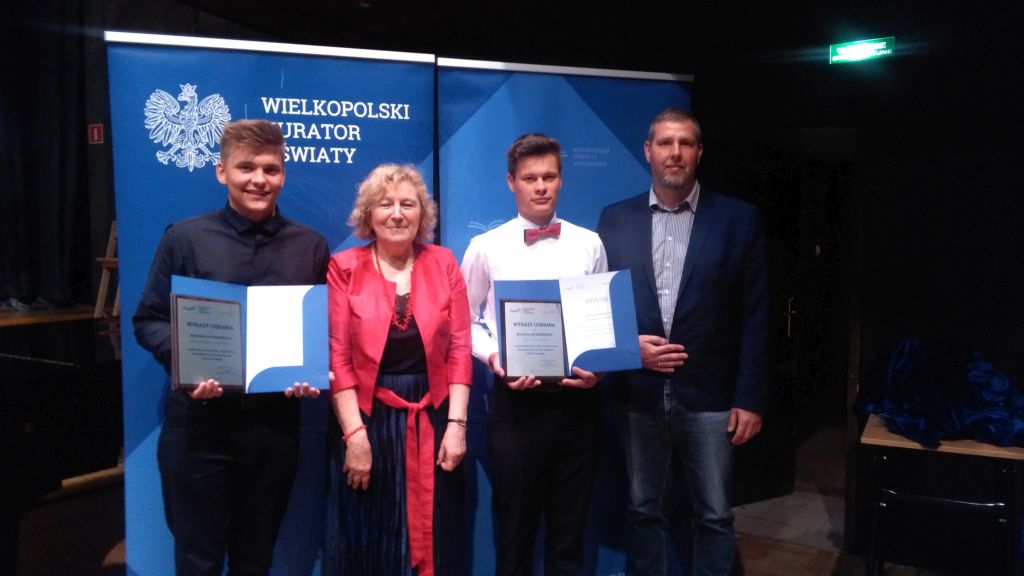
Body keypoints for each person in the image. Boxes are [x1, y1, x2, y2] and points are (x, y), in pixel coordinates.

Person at [133, 119, 330, 575]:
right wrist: (183, 359)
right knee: (197, 562)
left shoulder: (311, 247)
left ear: (283, 174)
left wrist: (310, 371)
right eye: (246, 167)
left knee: (254, 561)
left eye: (271, 169)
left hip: (273, 430)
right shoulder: (185, 238)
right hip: (200, 429)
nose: (259, 179)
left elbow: (320, 329)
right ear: (222, 172)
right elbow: (149, 319)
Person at [596, 108, 770, 575]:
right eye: (665, 143)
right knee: (643, 509)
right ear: (648, 151)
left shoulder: (738, 219)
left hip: (711, 395)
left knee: (714, 514)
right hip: (638, 392)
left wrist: (749, 398)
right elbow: (598, 307)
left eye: (686, 143)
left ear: (699, 152)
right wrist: (629, 349)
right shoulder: (614, 219)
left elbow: (756, 315)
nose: (675, 153)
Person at [460, 133, 607, 576]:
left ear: (561, 180)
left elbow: (599, 318)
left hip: (579, 405)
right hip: (516, 406)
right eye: (530, 178)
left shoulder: (590, 243)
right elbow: (463, 321)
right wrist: (494, 358)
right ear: (511, 182)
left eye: (549, 176)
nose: (541, 186)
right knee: (515, 536)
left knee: (569, 537)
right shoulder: (486, 247)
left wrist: (599, 369)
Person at [324, 164, 472, 576]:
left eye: (408, 204)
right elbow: (337, 357)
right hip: (367, 420)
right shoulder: (344, 267)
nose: (396, 214)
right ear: (368, 213)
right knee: (371, 536)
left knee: (435, 531)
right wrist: (354, 436)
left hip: (434, 418)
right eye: (385, 204)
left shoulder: (444, 262)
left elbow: (460, 349)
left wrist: (457, 425)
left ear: (422, 214)